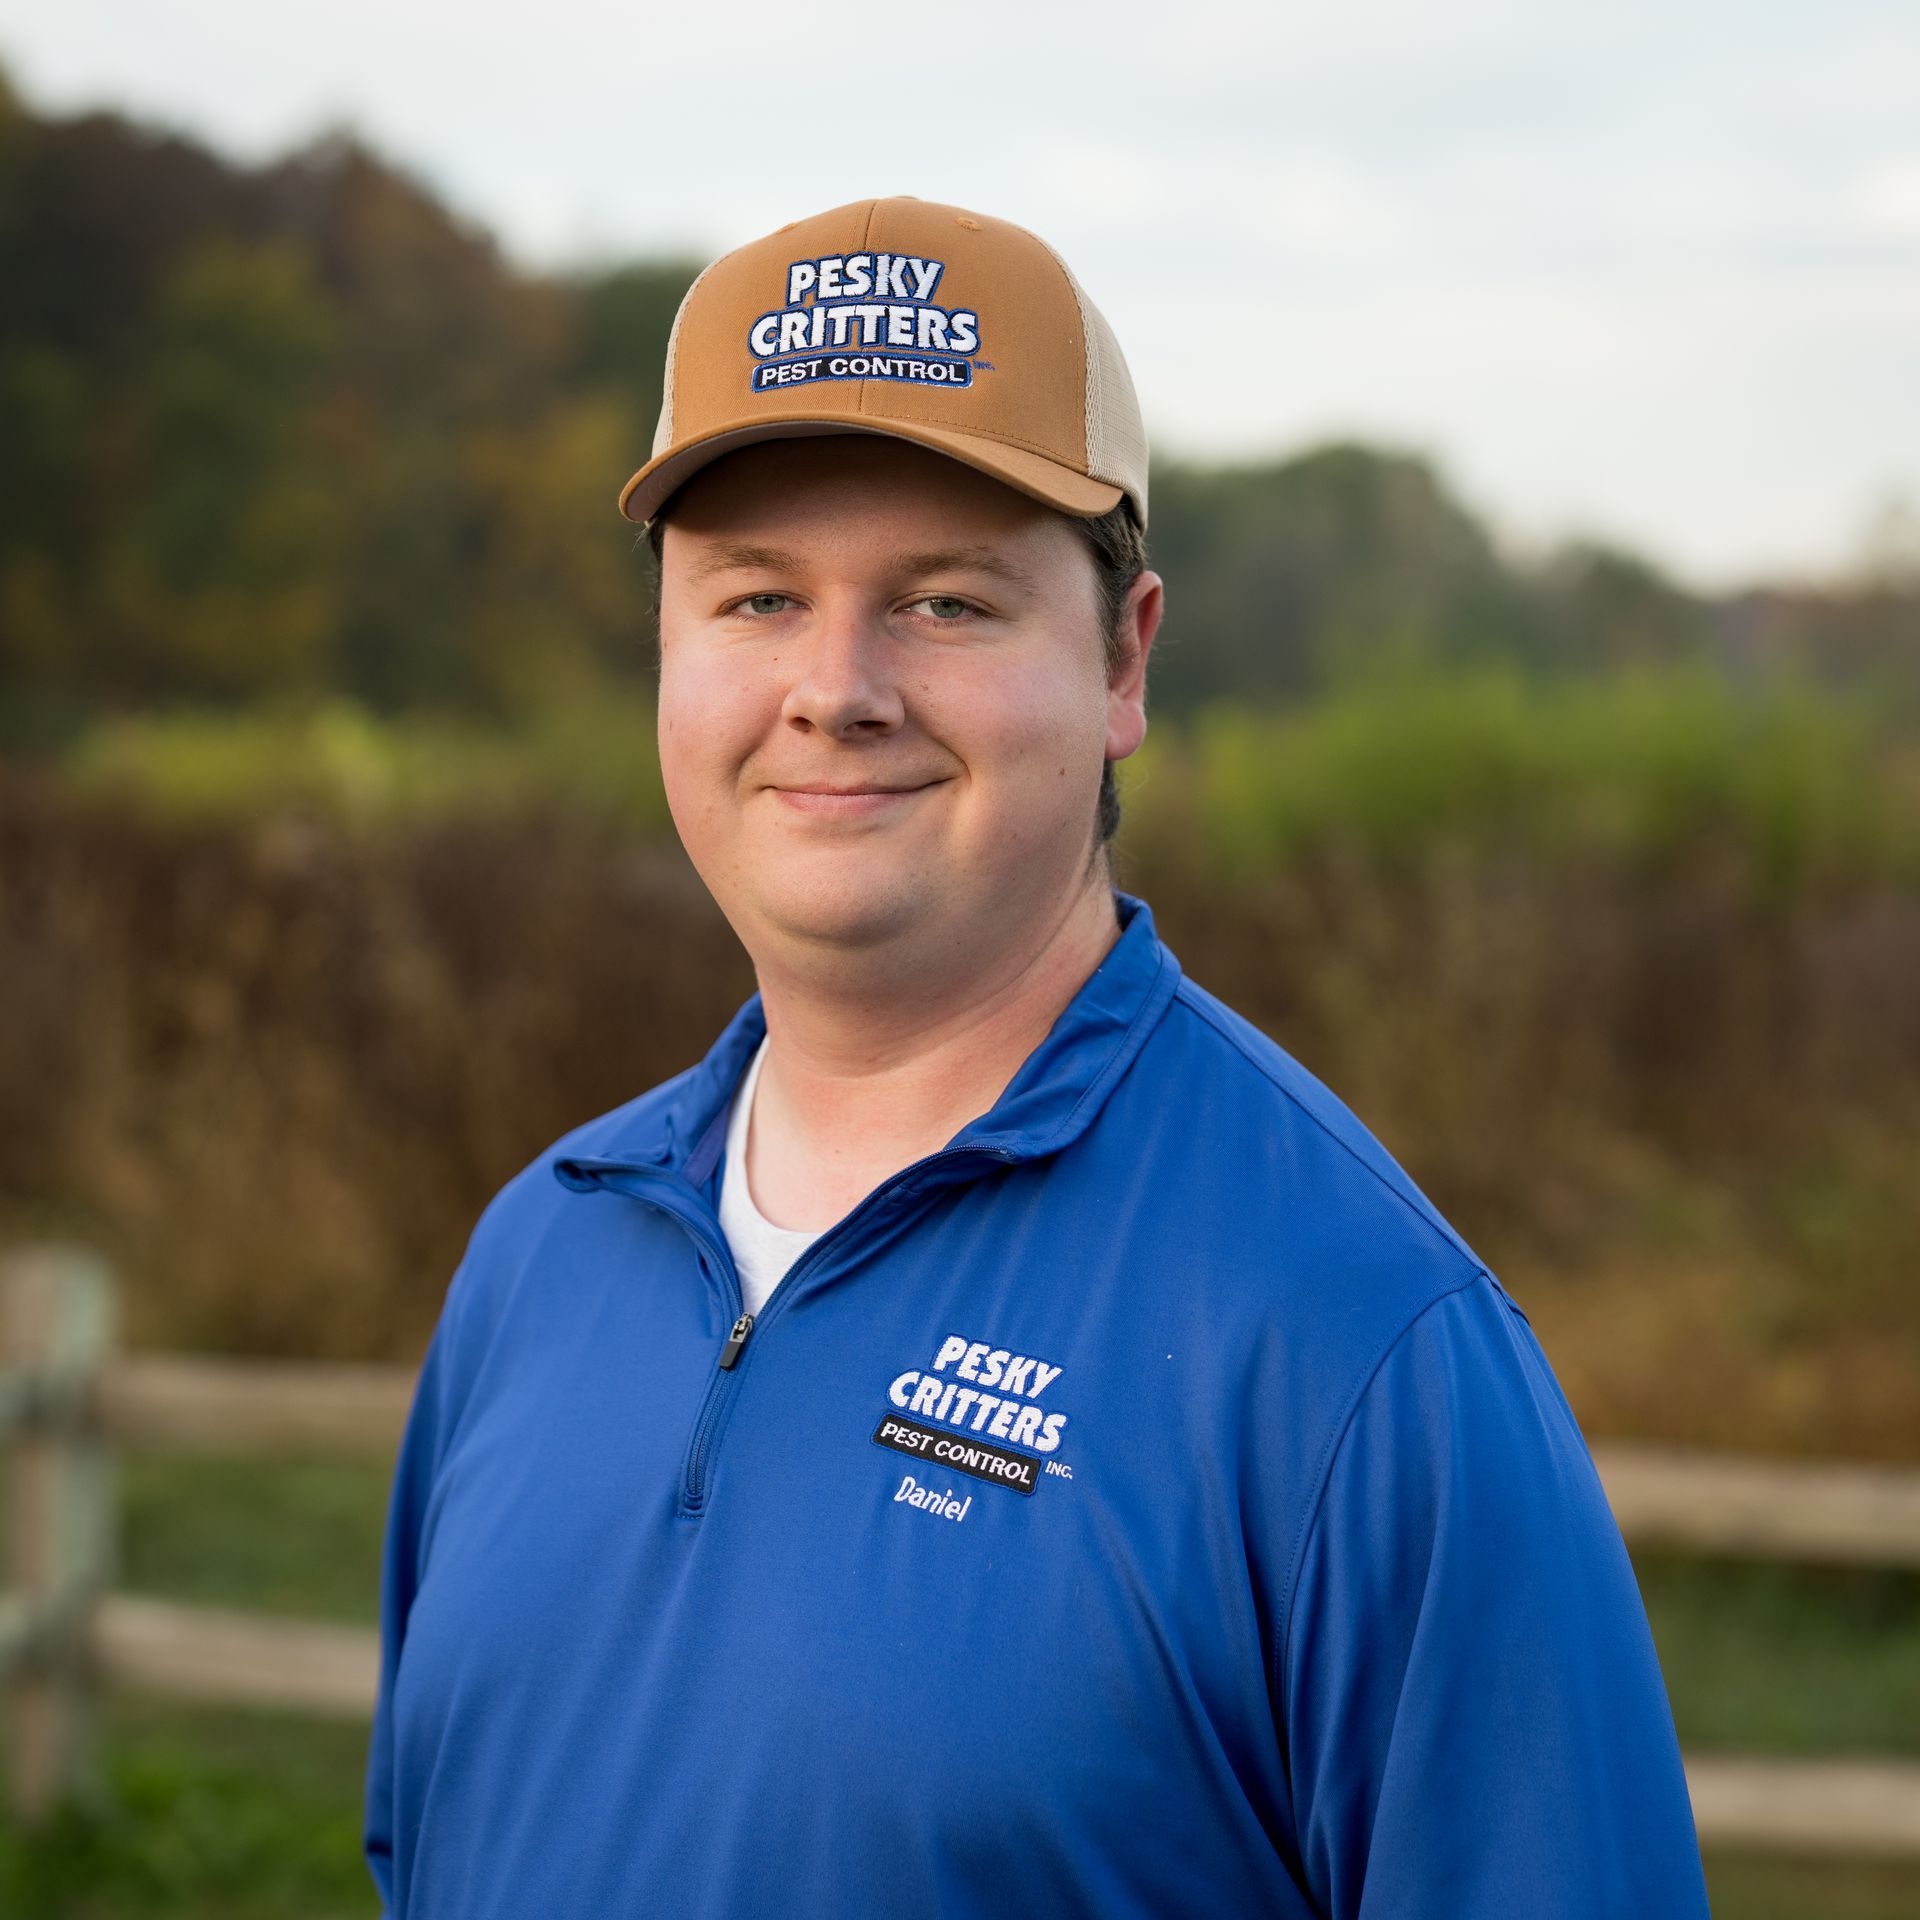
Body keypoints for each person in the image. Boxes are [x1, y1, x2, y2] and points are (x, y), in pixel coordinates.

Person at [363, 195, 1711, 1919]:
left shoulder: (1358, 1342)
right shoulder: (540, 1252)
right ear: (669, 653)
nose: (835, 690)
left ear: (1125, 657)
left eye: (942, 604)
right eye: (758, 598)